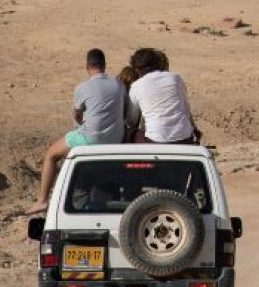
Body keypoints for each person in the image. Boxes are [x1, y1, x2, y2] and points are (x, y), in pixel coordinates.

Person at [26, 49, 124, 214]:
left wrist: (81, 124)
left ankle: (42, 200)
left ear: (87, 67)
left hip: (91, 138)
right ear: (104, 65)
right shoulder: (118, 85)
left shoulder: (83, 87)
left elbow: (77, 116)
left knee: (51, 154)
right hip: (115, 139)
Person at [127, 48, 200, 144]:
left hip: (155, 140)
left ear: (136, 69)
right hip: (185, 137)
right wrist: (195, 129)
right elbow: (186, 109)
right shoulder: (175, 78)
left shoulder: (137, 85)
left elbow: (132, 120)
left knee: (131, 134)